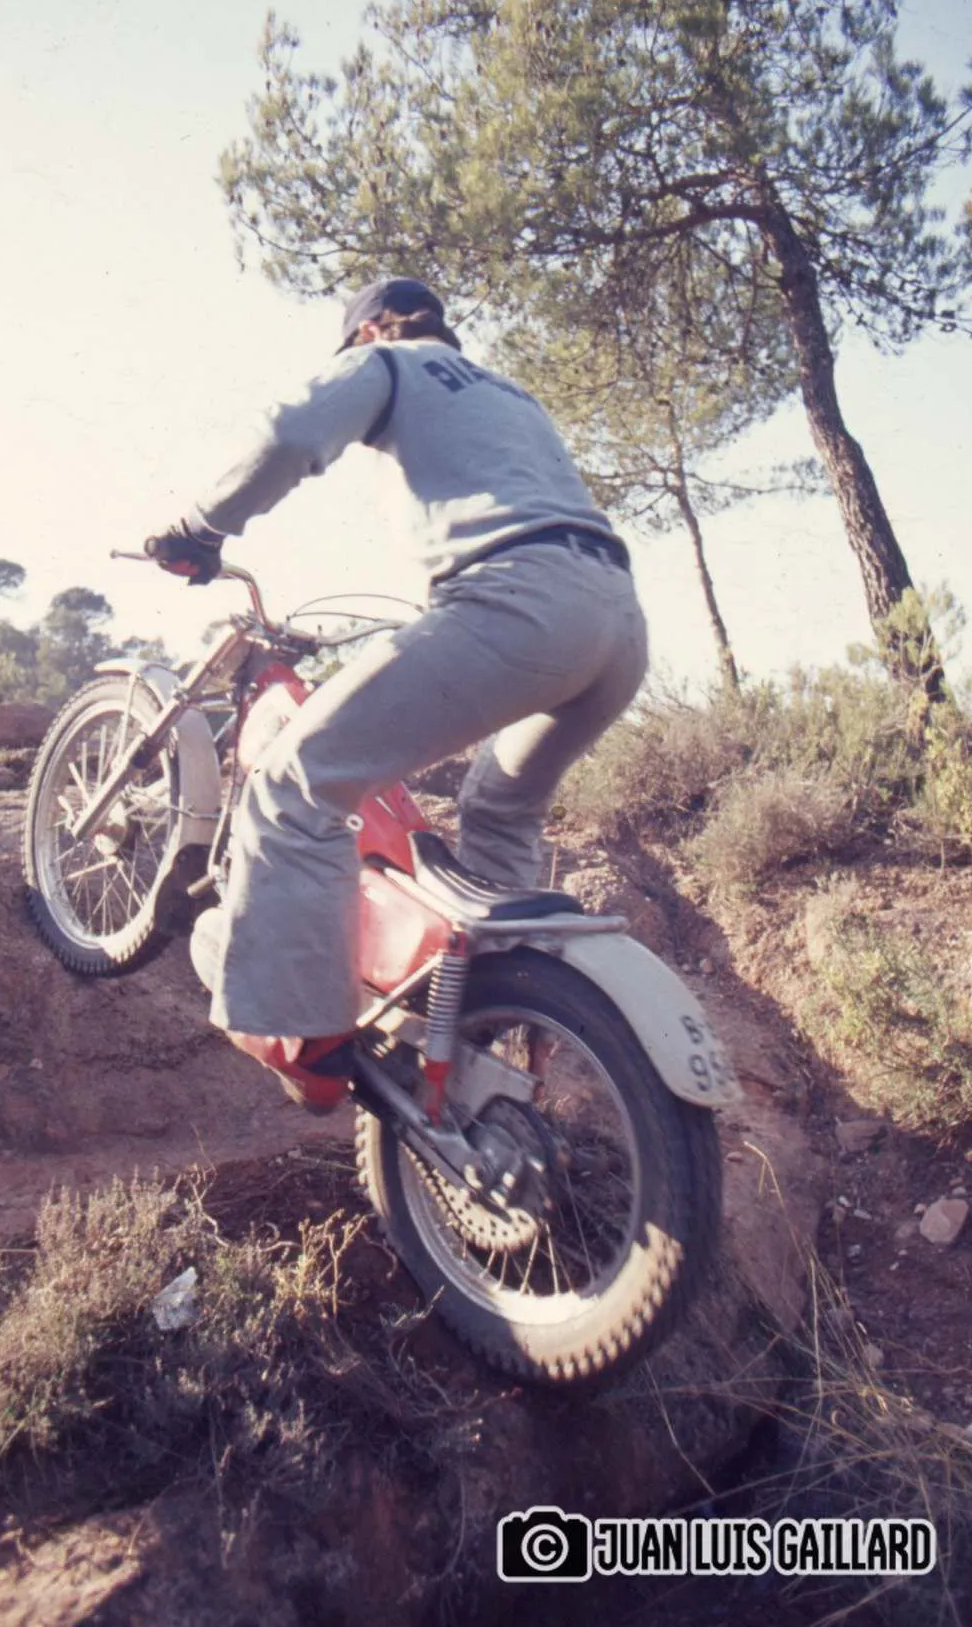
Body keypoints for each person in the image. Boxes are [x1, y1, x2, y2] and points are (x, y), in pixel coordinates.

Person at [145, 277, 648, 1108]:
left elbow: (288, 434)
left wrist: (200, 526)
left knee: (295, 781)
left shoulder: (387, 362)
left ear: (373, 328)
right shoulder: (510, 395)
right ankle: (472, 1024)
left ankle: (305, 1038)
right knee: (500, 810)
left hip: (518, 602)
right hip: (618, 626)